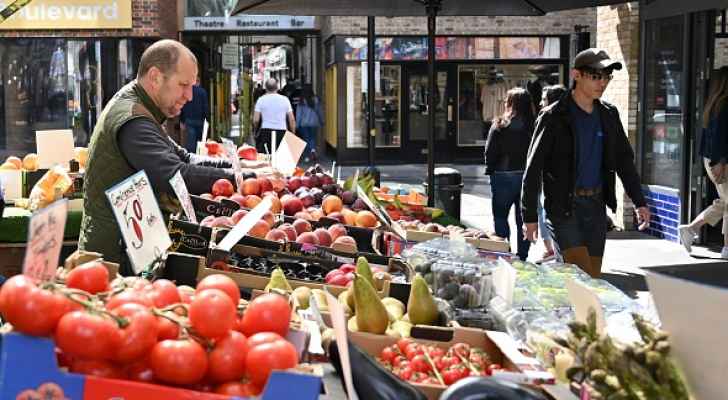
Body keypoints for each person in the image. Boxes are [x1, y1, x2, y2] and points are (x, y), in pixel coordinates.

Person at [78, 39, 235, 272]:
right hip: (113, 258)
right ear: (155, 77)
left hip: (128, 249)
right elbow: (176, 175)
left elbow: (183, 157)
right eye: (183, 85)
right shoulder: (134, 120)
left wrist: (236, 168)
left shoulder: (140, 106)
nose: (190, 96)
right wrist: (235, 179)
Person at [521, 48, 650, 278]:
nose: (602, 83)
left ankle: (573, 313)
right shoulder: (554, 116)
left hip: (596, 207)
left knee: (592, 276)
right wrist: (529, 216)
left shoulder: (609, 115)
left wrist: (639, 201)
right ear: (576, 75)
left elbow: (624, 161)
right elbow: (533, 168)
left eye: (607, 77)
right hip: (564, 208)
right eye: (595, 76)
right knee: (578, 273)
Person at [678, 67, 728, 256]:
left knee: (724, 201)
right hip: (720, 160)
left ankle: (690, 229)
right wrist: (719, 162)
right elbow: (718, 137)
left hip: (715, 159)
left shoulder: (713, 104)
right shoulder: (723, 105)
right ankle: (727, 248)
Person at [484, 88, 535, 261]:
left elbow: (490, 152)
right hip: (527, 177)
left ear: (510, 104)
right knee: (524, 219)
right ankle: (522, 256)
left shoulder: (499, 124)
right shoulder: (534, 126)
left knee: (500, 216)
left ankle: (503, 251)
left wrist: (490, 169)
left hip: (503, 175)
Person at [536, 84, 567, 261]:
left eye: (544, 99)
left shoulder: (550, 121)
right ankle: (553, 252)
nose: (541, 102)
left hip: (558, 183)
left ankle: (556, 253)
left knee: (548, 215)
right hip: (549, 179)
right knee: (544, 213)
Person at [253, 78, 295, 154]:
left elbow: (256, 120)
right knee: (282, 158)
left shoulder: (261, 100)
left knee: (266, 157)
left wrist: (255, 131)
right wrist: (293, 133)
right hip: (281, 132)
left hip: (266, 132)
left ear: (265, 88)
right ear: (277, 87)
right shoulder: (285, 100)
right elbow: (291, 119)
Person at [179, 75, 209, 153]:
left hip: (189, 120)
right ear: (198, 82)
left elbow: (182, 106)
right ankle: (200, 157)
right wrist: (206, 119)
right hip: (200, 120)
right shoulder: (203, 92)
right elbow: (205, 107)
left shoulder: (186, 92)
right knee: (200, 141)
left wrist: (182, 120)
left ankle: (192, 158)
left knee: (191, 142)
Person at [295, 84, 323, 163]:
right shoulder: (316, 100)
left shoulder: (301, 101)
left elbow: (299, 114)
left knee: (306, 139)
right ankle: (313, 150)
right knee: (312, 138)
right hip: (314, 122)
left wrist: (297, 124)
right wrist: (321, 120)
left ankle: (308, 156)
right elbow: (319, 111)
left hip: (304, 124)